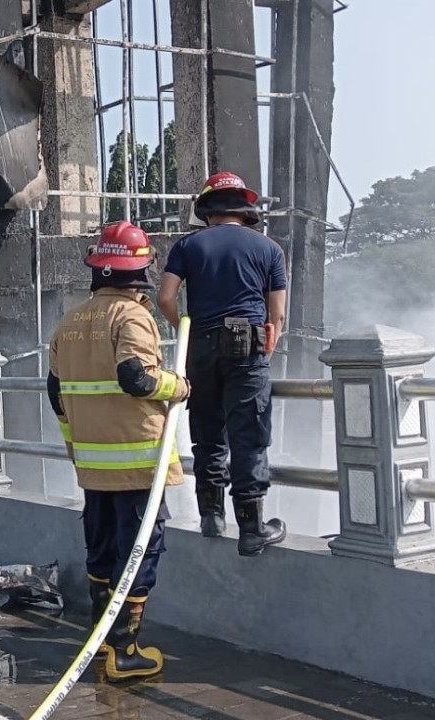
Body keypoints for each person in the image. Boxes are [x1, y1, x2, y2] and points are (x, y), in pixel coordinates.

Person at [48, 221, 191, 682]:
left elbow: (56, 393)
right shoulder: (131, 317)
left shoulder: (70, 320)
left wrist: (76, 449)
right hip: (136, 463)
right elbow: (138, 378)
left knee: (103, 549)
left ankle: (98, 637)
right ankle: (124, 649)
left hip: (94, 466)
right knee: (140, 551)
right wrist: (180, 386)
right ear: (142, 271)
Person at [157, 171, 288, 557]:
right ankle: (251, 528)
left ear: (207, 210)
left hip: (200, 345)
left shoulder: (187, 245)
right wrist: (266, 350)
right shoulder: (268, 249)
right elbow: (276, 316)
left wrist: (186, 329)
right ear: (245, 209)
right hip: (246, 347)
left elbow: (166, 297)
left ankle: (211, 517)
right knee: (248, 435)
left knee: (208, 432)